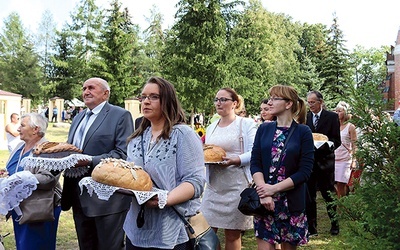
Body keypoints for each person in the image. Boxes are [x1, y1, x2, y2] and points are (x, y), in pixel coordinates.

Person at [123, 76, 205, 249]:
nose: (146, 101)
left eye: (153, 97)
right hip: (136, 229)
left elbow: (195, 182)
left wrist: (164, 199)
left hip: (170, 229)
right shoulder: (137, 138)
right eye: (143, 97)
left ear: (167, 100)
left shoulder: (183, 135)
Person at [61, 77, 134, 250]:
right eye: (84, 88)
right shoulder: (78, 118)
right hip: (76, 193)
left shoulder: (120, 115)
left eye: (91, 88)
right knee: (85, 245)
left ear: (106, 93)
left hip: (106, 199)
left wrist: (89, 160)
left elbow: (122, 154)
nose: (86, 92)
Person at [250, 85, 314, 250]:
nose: (269, 102)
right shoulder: (263, 128)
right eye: (269, 98)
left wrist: (273, 189)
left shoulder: (303, 131)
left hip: (290, 202)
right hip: (264, 201)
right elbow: (255, 162)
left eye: (274, 98)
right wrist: (264, 192)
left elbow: (305, 171)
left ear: (288, 104)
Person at [201, 87, 257, 250]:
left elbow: (255, 152)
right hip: (213, 187)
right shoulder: (212, 126)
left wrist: (236, 160)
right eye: (216, 99)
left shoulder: (246, 124)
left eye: (223, 99)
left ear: (234, 103)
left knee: (232, 235)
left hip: (236, 185)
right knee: (206, 232)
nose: (219, 103)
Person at [6, 113, 62, 250]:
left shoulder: (48, 149)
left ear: (35, 129)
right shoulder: (19, 146)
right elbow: (12, 169)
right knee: (22, 244)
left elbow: (49, 179)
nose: (18, 129)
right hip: (19, 206)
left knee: (36, 245)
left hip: (39, 208)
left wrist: (21, 179)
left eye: (22, 126)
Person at [305, 90, 341, 236]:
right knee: (310, 196)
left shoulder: (332, 117)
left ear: (321, 102)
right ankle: (312, 228)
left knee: (328, 194)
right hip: (309, 162)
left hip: (326, 162)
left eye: (313, 102)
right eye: (308, 102)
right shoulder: (306, 117)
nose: (310, 105)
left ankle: (335, 224)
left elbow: (337, 140)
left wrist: (326, 145)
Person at [334, 101, 357, 198]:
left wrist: (354, 160)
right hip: (333, 159)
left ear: (346, 112)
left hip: (345, 160)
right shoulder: (333, 125)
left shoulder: (350, 127)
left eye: (340, 111)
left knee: (341, 184)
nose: (337, 113)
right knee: (332, 184)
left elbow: (355, 144)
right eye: (336, 111)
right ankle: (341, 200)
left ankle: (342, 207)